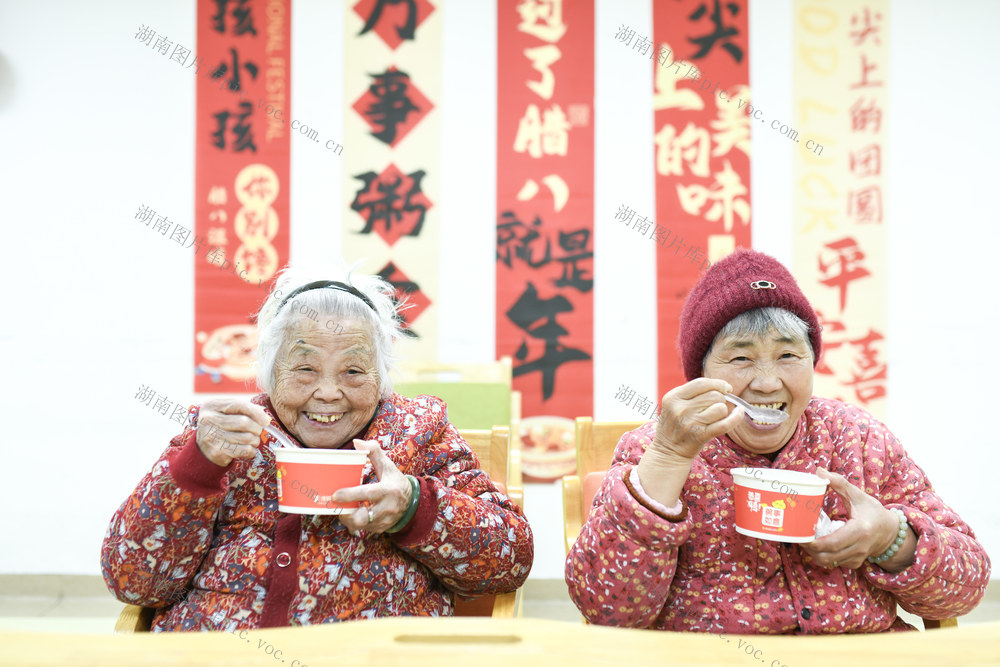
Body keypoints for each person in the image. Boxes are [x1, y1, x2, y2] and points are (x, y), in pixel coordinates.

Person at [565, 249, 990, 633]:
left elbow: (967, 586)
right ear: (702, 373)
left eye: (788, 355)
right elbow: (606, 611)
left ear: (812, 360)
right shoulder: (655, 448)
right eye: (741, 358)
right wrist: (668, 458)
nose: (767, 383)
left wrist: (890, 539)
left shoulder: (858, 440)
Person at [102, 268, 533, 630]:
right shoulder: (225, 433)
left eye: (352, 370)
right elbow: (132, 581)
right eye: (305, 368)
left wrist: (412, 507)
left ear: (381, 377)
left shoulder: (419, 431)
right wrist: (198, 465)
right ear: (269, 372)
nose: (328, 393)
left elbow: (511, 559)